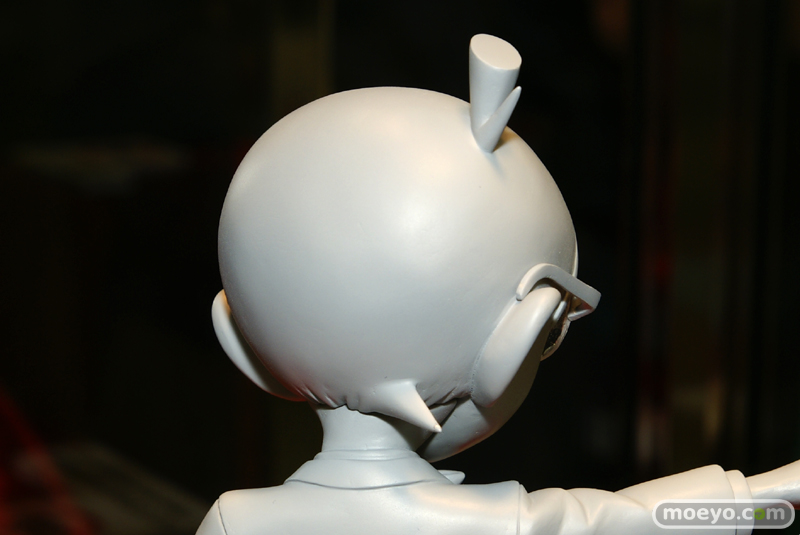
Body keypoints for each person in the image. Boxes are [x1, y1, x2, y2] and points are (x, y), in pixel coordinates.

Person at [197, 34, 800, 535]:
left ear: (239, 340)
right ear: (517, 337)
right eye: (552, 333)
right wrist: (775, 495)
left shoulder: (232, 521)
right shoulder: (506, 525)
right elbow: (658, 519)